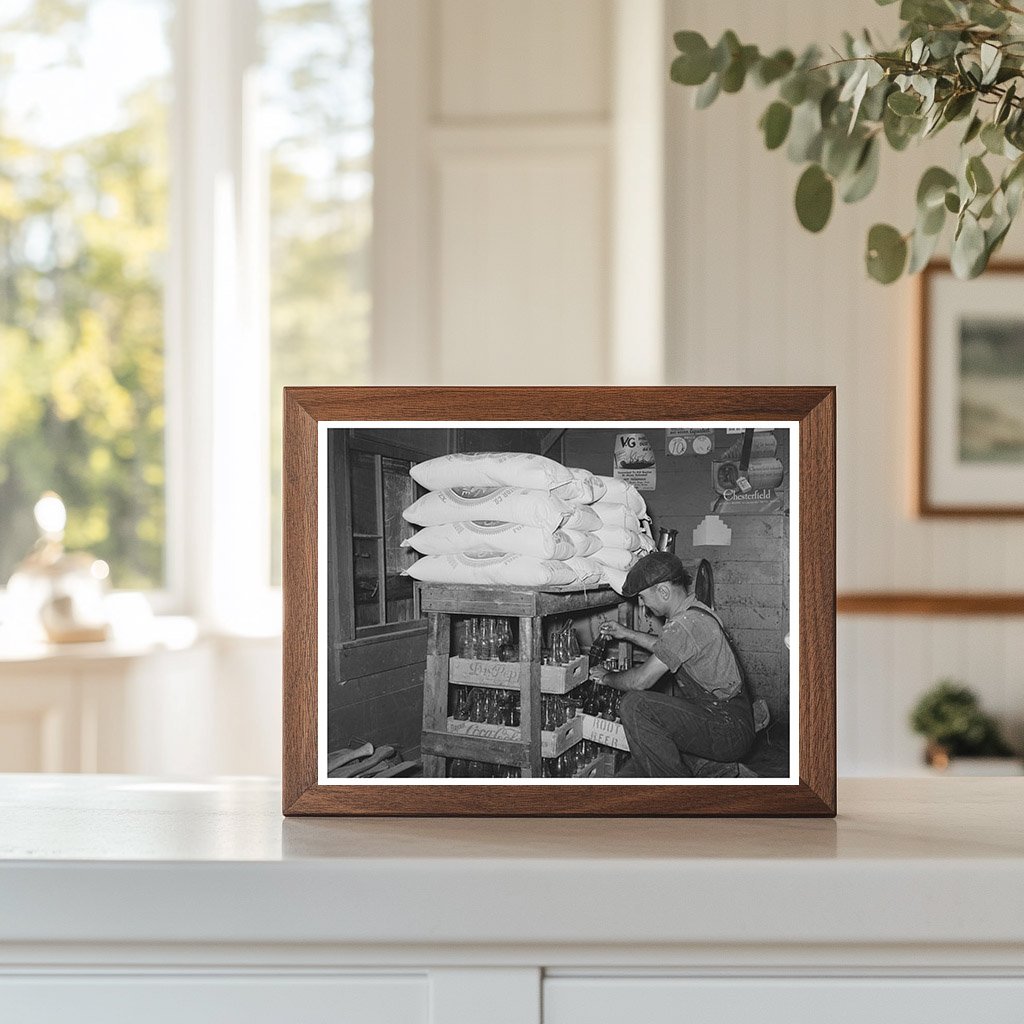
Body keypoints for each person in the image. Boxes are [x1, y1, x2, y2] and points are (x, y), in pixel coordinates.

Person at [590, 551, 755, 778]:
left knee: (635, 705)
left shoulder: (684, 626)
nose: (643, 605)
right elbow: (668, 648)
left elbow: (641, 681)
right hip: (731, 719)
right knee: (663, 725)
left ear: (664, 591)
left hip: (728, 728)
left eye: (643, 597)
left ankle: (674, 793)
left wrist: (606, 677)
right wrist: (626, 633)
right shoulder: (694, 611)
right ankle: (716, 769)